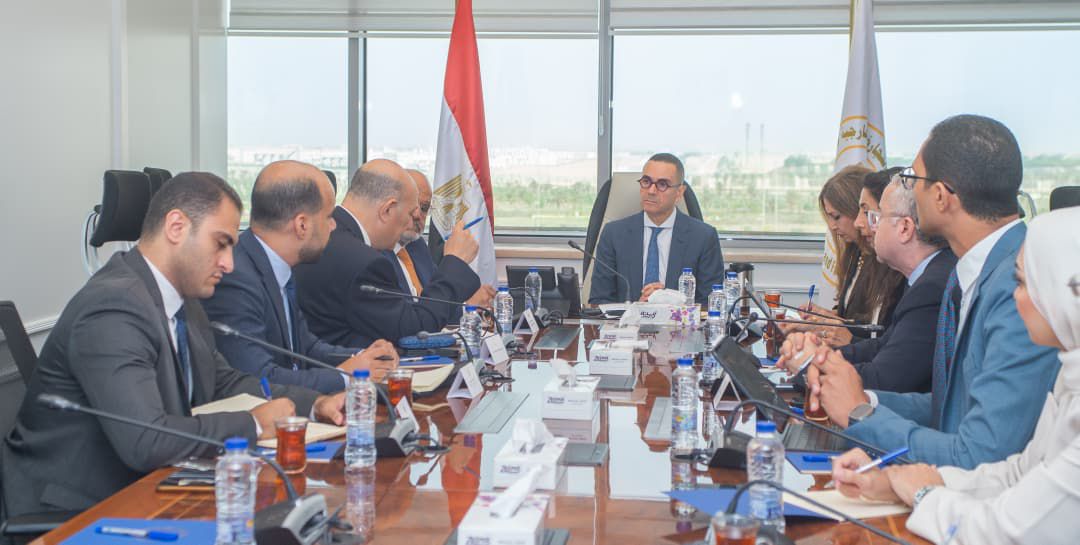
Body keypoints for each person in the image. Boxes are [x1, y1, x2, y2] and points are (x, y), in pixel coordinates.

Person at [1, 172, 345, 517]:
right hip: (74, 511)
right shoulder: (113, 306)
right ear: (177, 227)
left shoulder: (180, 298)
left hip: (149, 488)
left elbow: (223, 382)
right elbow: (146, 439)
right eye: (220, 243)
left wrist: (313, 404)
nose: (228, 263)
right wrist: (254, 423)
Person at [806, 114, 1060, 468]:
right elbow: (950, 408)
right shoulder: (971, 272)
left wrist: (861, 414)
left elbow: (980, 456)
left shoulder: (1019, 286)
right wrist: (861, 399)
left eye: (914, 179)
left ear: (940, 196)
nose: (907, 189)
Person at [831, 206, 1080, 544]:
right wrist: (898, 481)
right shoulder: (1070, 375)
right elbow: (1019, 475)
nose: (1014, 295)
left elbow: (1006, 532)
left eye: (1022, 282)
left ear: (1062, 293)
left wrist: (924, 495)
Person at [202, 161, 399, 394]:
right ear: (302, 225)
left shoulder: (280, 266)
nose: (333, 226)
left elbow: (306, 347)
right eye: (328, 216)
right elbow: (259, 379)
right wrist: (346, 376)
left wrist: (365, 357)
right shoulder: (236, 279)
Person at [779, 176, 956, 393]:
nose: (865, 226)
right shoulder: (924, 277)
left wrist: (808, 367)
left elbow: (884, 379)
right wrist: (820, 356)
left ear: (904, 228)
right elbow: (881, 347)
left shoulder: (930, 288)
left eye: (876, 217)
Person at [294, 159, 486, 346]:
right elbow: (413, 331)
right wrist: (455, 261)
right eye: (410, 214)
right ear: (387, 210)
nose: (411, 223)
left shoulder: (329, 238)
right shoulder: (361, 261)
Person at [588, 153, 724, 305]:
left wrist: (671, 302)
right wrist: (636, 308)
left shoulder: (703, 237)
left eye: (662, 184)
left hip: (679, 320)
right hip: (628, 320)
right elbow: (599, 300)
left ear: (679, 192)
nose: (651, 191)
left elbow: (711, 303)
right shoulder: (613, 234)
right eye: (646, 182)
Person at [800, 166, 905, 345]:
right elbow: (854, 319)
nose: (832, 226)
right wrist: (824, 319)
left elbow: (877, 332)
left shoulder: (889, 261)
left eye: (836, 217)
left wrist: (835, 327)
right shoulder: (855, 253)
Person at [383, 169, 439, 296]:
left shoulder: (418, 245)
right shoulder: (376, 251)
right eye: (411, 205)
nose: (417, 215)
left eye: (424, 208)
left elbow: (438, 294)